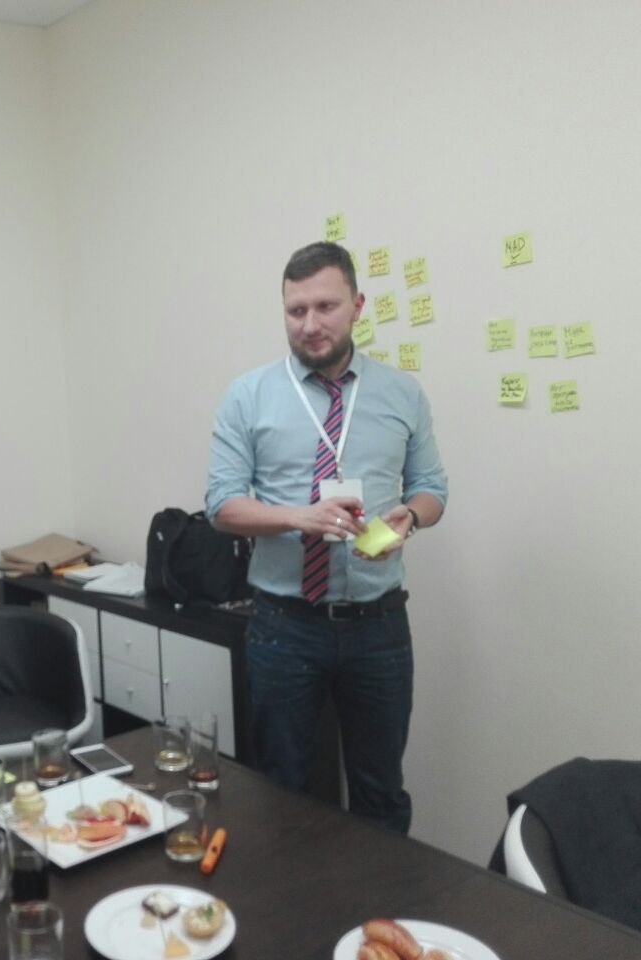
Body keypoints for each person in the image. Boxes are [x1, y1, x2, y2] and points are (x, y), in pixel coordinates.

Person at [206, 241, 448, 834]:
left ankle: (378, 896)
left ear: (357, 306)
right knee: (282, 790)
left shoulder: (402, 393)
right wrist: (299, 517)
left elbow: (432, 487)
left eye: (325, 307)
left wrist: (410, 517)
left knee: (380, 792)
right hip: (284, 627)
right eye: (296, 311)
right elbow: (222, 505)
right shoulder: (249, 395)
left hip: (378, 625)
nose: (309, 324)